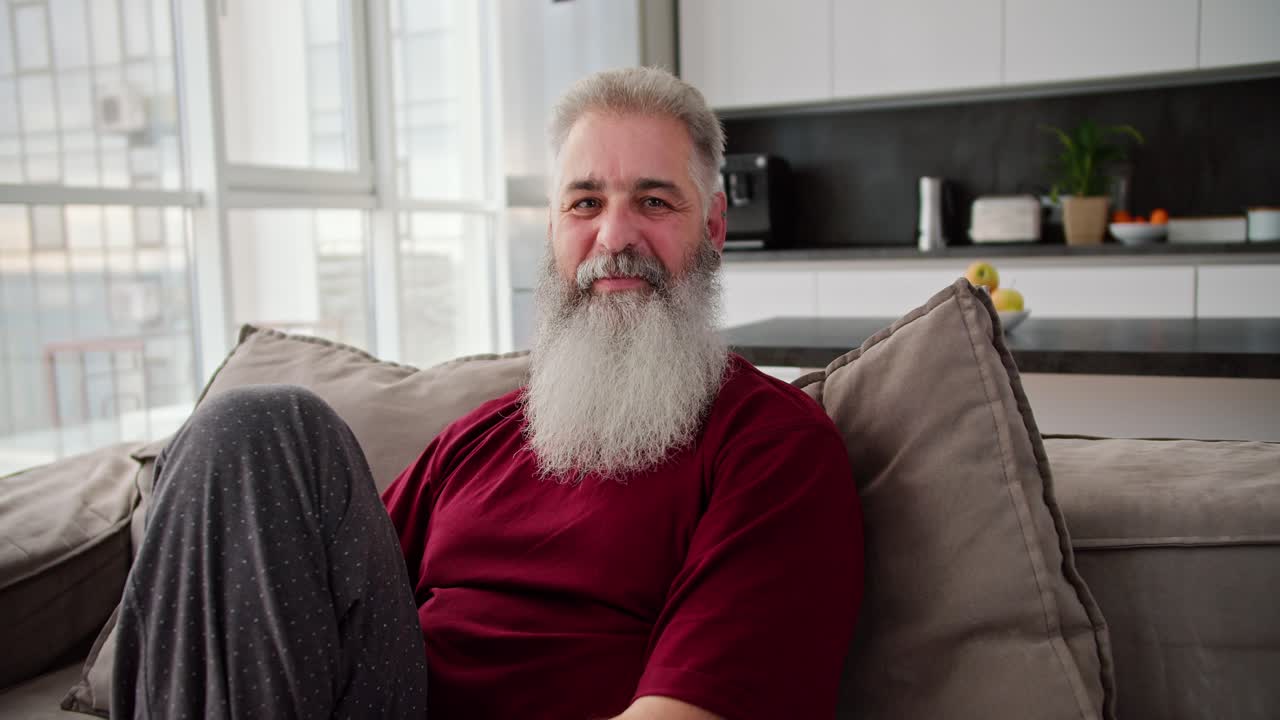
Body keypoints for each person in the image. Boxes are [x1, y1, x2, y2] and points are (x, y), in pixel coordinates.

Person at [113, 67, 863, 720]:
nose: (614, 237)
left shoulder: (774, 451)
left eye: (655, 202)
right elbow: (317, 592)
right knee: (254, 427)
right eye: (584, 203)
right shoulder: (484, 435)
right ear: (552, 229)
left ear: (715, 227)